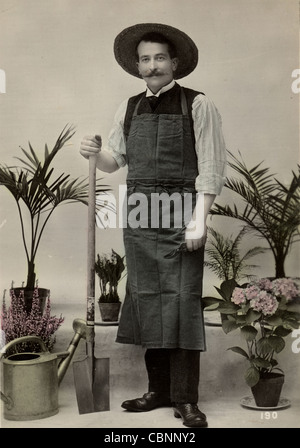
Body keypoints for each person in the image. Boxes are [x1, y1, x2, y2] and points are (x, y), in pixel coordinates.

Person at [80, 23, 227, 428]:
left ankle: (185, 399)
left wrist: (200, 220)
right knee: (147, 300)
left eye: (159, 57)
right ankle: (157, 391)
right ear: (137, 65)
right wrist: (95, 153)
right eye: (144, 59)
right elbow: (116, 162)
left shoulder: (198, 105)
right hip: (142, 213)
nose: (152, 65)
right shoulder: (128, 108)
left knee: (180, 302)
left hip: (183, 212)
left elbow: (212, 167)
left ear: (175, 62)